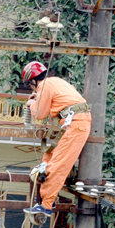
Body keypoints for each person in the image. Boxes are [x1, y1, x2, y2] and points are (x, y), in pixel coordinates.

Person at [22, 61, 92, 217]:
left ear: (32, 80)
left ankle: (46, 204)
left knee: (57, 164)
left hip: (75, 124)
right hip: (73, 122)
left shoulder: (44, 86)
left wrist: (31, 103)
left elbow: (40, 113)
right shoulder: (56, 82)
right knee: (48, 156)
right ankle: (47, 197)